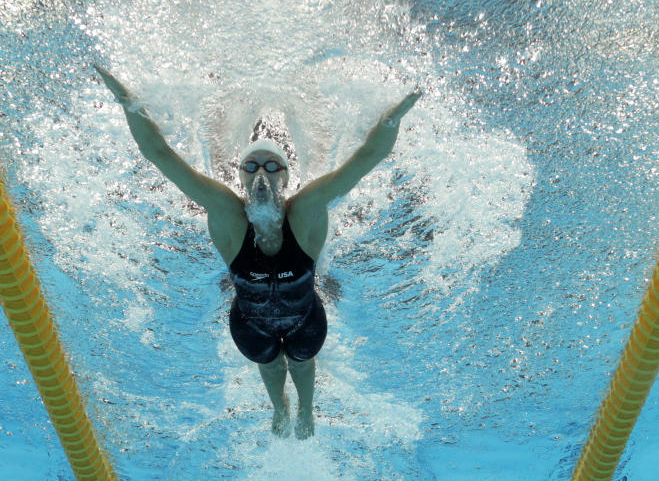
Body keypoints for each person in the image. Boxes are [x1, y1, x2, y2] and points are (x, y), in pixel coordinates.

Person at [95, 65, 420, 439]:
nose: (260, 172)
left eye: (271, 165)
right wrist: (128, 102)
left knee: (301, 361)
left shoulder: (306, 210)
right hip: (250, 323)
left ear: (285, 176)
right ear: (241, 176)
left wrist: (394, 114)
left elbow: (366, 159)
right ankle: (280, 406)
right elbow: (160, 156)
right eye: (251, 165)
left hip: (305, 318)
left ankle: (307, 411)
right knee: (269, 364)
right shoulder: (226, 214)